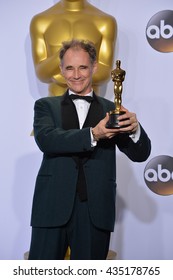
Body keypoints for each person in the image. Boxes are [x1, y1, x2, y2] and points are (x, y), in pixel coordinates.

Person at [28, 39, 151, 260]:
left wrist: (134, 128)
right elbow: (47, 140)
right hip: (51, 206)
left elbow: (140, 154)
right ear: (61, 70)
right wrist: (94, 134)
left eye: (83, 67)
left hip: (95, 210)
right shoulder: (46, 106)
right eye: (70, 68)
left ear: (94, 67)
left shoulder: (110, 109)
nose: (76, 75)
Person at [30, 0, 117, 96]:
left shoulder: (105, 22)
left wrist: (64, 75)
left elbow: (106, 73)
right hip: (55, 103)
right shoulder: (40, 21)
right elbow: (41, 73)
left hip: (92, 105)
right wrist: (64, 54)